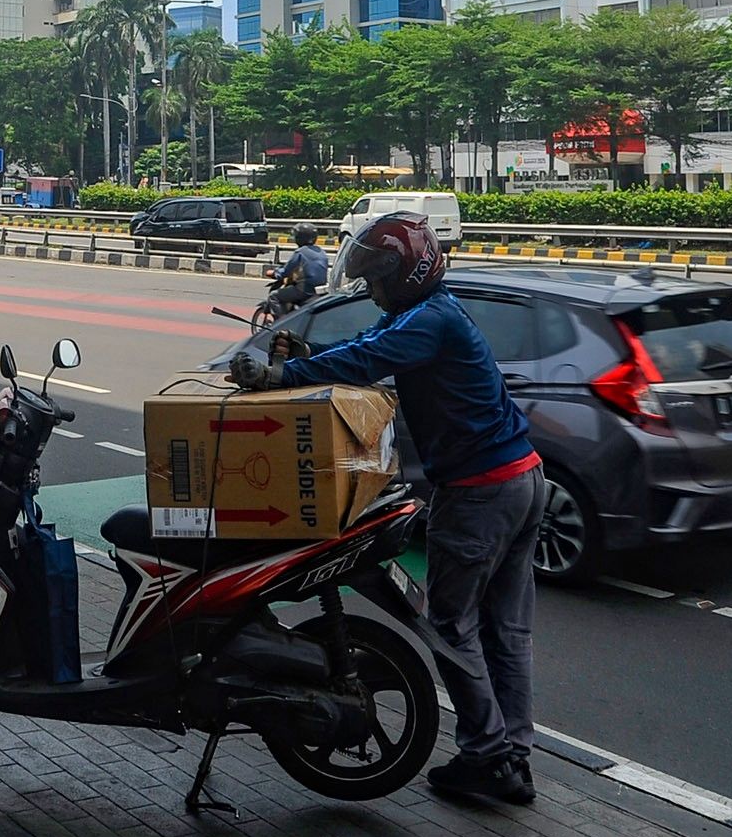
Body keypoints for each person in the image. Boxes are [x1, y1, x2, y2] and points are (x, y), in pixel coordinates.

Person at [229, 212, 545, 804]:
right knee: (506, 629)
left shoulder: (428, 320)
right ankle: (513, 757)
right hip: (522, 478)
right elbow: (367, 348)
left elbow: (366, 362)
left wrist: (280, 374)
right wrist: (305, 352)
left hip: (480, 491)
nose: (371, 289)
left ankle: (487, 757)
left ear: (404, 273)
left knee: (452, 627)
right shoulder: (431, 313)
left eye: (377, 278)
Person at [260, 226, 329, 323]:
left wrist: (275, 273)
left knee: (273, 296)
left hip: (305, 290)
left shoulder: (300, 252)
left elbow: (286, 271)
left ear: (299, 238)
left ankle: (282, 325)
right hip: (320, 290)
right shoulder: (321, 251)